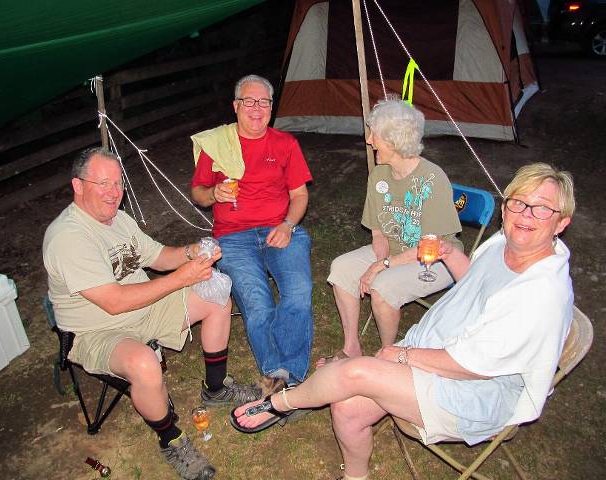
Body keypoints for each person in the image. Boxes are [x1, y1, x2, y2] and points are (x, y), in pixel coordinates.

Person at [232, 163, 575, 480]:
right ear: (505, 207)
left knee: (355, 372)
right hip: (441, 352)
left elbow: (476, 366)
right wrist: (452, 254)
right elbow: (476, 286)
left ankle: (279, 404)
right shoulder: (503, 243)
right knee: (347, 405)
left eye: (543, 208)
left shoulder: (540, 292)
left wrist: (402, 355)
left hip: (477, 392)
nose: (527, 214)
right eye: (519, 202)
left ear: (562, 222)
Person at [43, 147, 263, 480]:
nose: (114, 192)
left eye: (118, 183)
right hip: (97, 331)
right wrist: (181, 278)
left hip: (142, 307)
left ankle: (216, 388)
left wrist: (192, 251)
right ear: (78, 185)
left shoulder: (117, 218)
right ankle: (170, 438)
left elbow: (157, 257)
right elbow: (114, 302)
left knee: (216, 294)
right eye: (103, 183)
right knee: (144, 362)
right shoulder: (68, 237)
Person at [190, 74, 314, 387]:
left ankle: (291, 374)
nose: (256, 108)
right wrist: (214, 193)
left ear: (271, 107)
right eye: (248, 101)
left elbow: (300, 196)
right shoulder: (217, 145)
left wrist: (288, 225)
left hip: (279, 230)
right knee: (257, 301)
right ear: (235, 106)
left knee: (298, 294)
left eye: (264, 102)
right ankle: (278, 373)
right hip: (233, 237)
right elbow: (199, 193)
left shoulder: (286, 144)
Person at [328, 98, 463, 359]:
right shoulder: (379, 175)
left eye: (374, 134)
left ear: (393, 141)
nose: (369, 140)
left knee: (383, 288)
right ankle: (351, 347)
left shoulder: (432, 179)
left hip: (436, 259)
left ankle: (386, 355)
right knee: (341, 268)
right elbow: (378, 232)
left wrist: (382, 267)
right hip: (394, 248)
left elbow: (432, 245)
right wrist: (379, 262)